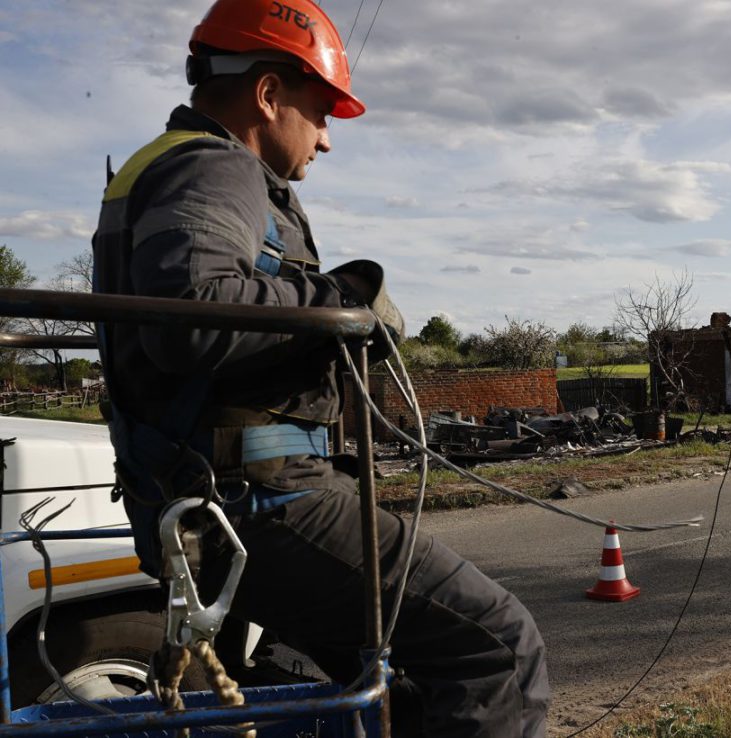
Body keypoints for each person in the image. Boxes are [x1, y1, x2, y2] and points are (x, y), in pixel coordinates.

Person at [90, 0, 549, 735]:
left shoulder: (167, 167)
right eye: (322, 111)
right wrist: (340, 300)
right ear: (268, 95)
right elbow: (189, 310)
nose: (327, 140)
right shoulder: (215, 167)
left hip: (207, 501)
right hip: (257, 505)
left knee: (399, 688)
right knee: (499, 650)